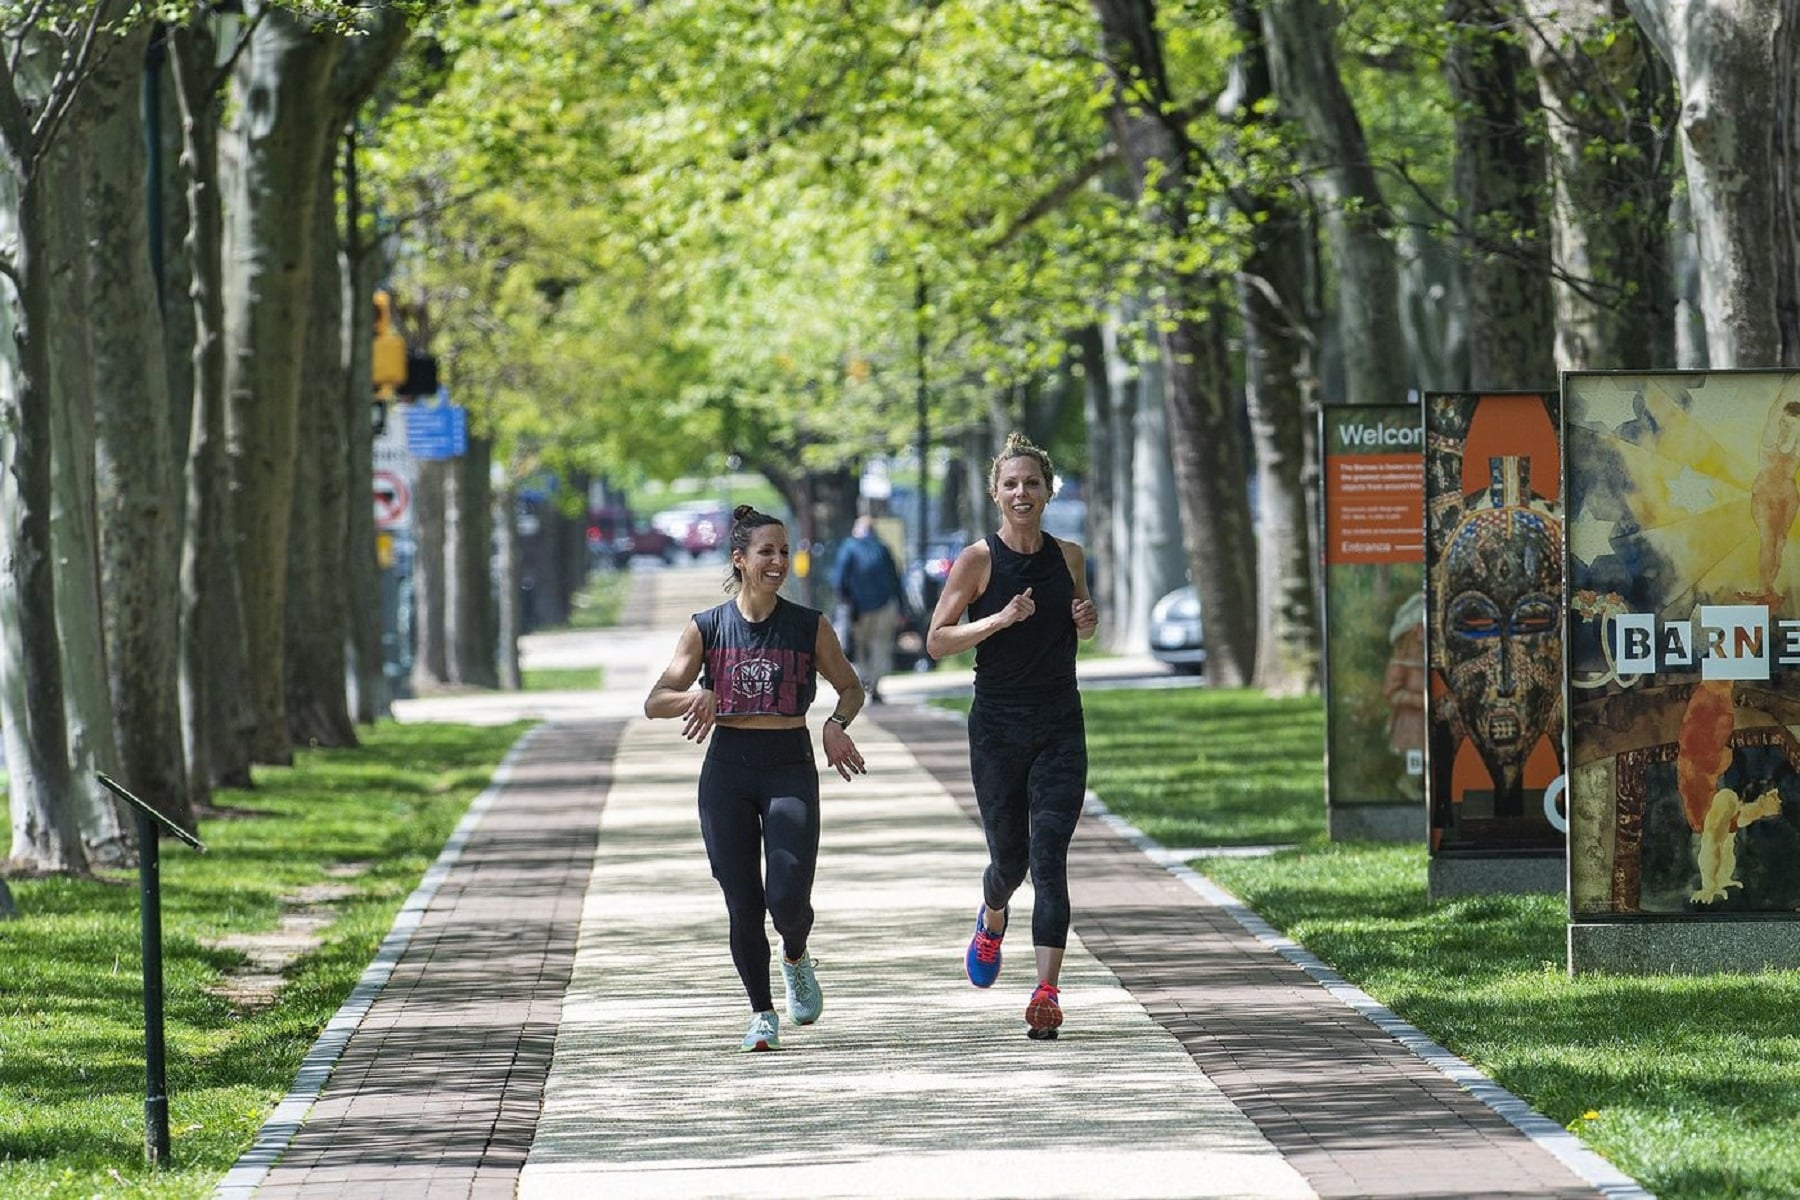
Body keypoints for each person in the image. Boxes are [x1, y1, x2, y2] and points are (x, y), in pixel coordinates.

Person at [644, 504, 868, 1052]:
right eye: (766, 552)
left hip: (789, 765)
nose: (778, 561)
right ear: (740, 560)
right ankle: (761, 1013)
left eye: (785, 551)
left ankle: (795, 954)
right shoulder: (706, 627)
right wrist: (696, 695)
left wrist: (836, 724)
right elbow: (655, 702)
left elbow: (851, 687)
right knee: (743, 902)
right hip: (728, 771)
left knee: (787, 897)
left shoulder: (808, 626)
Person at [925, 432, 1098, 1040]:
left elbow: (1081, 622)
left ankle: (1048, 992)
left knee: (1050, 857)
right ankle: (991, 915)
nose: (1022, 492)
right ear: (996, 494)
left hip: (1059, 722)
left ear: (1048, 491)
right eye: (1011, 484)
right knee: (1011, 861)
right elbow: (936, 639)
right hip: (996, 726)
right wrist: (998, 619)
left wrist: (1086, 619)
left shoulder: (1069, 556)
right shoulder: (977, 561)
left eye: (1032, 483)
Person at [830, 514, 905, 703]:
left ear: (857, 530)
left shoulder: (848, 548)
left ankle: (864, 678)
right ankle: (876, 683)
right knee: (880, 645)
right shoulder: (883, 548)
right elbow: (896, 580)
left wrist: (841, 605)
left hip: (857, 609)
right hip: (884, 606)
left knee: (859, 647)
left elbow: (839, 580)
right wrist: (902, 608)